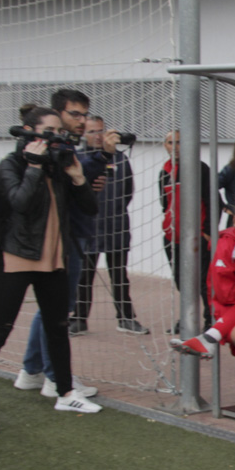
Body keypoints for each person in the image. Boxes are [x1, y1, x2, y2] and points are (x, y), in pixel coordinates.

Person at [0, 105, 102, 436]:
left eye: (60, 132)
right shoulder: (11, 165)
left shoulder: (58, 167)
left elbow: (90, 208)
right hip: (14, 260)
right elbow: (20, 202)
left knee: (58, 328)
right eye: (51, 131)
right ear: (29, 131)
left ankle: (65, 394)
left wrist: (77, 178)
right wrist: (33, 166)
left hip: (53, 261)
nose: (58, 138)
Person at [12, 89, 103, 391]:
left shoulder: (66, 147)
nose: (82, 120)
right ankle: (54, 376)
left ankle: (33, 369)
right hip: (61, 238)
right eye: (75, 114)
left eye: (84, 114)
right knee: (57, 308)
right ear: (58, 114)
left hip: (70, 234)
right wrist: (98, 162)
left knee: (55, 307)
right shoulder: (49, 149)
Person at [171, 197, 235, 423]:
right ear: (234, 220)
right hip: (229, 313)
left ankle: (209, 336)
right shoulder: (227, 244)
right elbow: (225, 294)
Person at [70, 115, 148, 335]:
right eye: (93, 131)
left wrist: (114, 212)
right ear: (84, 133)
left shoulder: (121, 159)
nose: (98, 135)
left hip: (116, 227)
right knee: (84, 277)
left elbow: (127, 192)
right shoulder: (77, 158)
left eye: (101, 131)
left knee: (119, 276)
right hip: (87, 229)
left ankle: (126, 318)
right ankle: (78, 319)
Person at [159, 129, 216, 334]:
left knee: (202, 281)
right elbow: (164, 204)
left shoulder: (200, 169)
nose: (174, 146)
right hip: (172, 238)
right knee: (182, 281)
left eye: (179, 142)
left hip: (196, 237)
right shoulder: (164, 172)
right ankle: (186, 318)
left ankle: (210, 319)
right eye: (169, 142)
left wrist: (207, 231)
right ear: (165, 145)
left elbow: (213, 201)